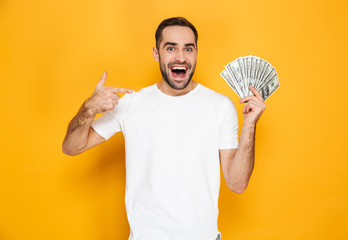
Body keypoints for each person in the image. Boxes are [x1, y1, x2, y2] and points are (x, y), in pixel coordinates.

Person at [62, 17, 266, 240]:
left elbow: (237, 184)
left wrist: (249, 126)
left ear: (196, 52)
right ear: (156, 54)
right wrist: (89, 108)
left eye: (188, 49)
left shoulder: (220, 106)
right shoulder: (131, 104)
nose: (181, 57)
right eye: (171, 48)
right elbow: (71, 147)